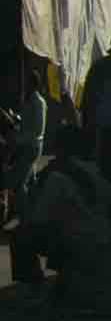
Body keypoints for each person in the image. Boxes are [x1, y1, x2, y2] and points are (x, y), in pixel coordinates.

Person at [9, 125, 111, 300]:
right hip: (103, 241)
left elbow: (40, 218)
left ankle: (34, 287)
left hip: (75, 243)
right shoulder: (96, 170)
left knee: (20, 234)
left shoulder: (56, 177)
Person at [2, 67, 48, 222]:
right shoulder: (29, 101)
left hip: (32, 147)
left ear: (33, 84)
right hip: (25, 146)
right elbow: (26, 123)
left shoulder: (39, 103)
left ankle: (25, 216)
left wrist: (17, 138)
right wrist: (15, 118)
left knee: (18, 182)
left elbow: (36, 131)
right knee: (26, 180)